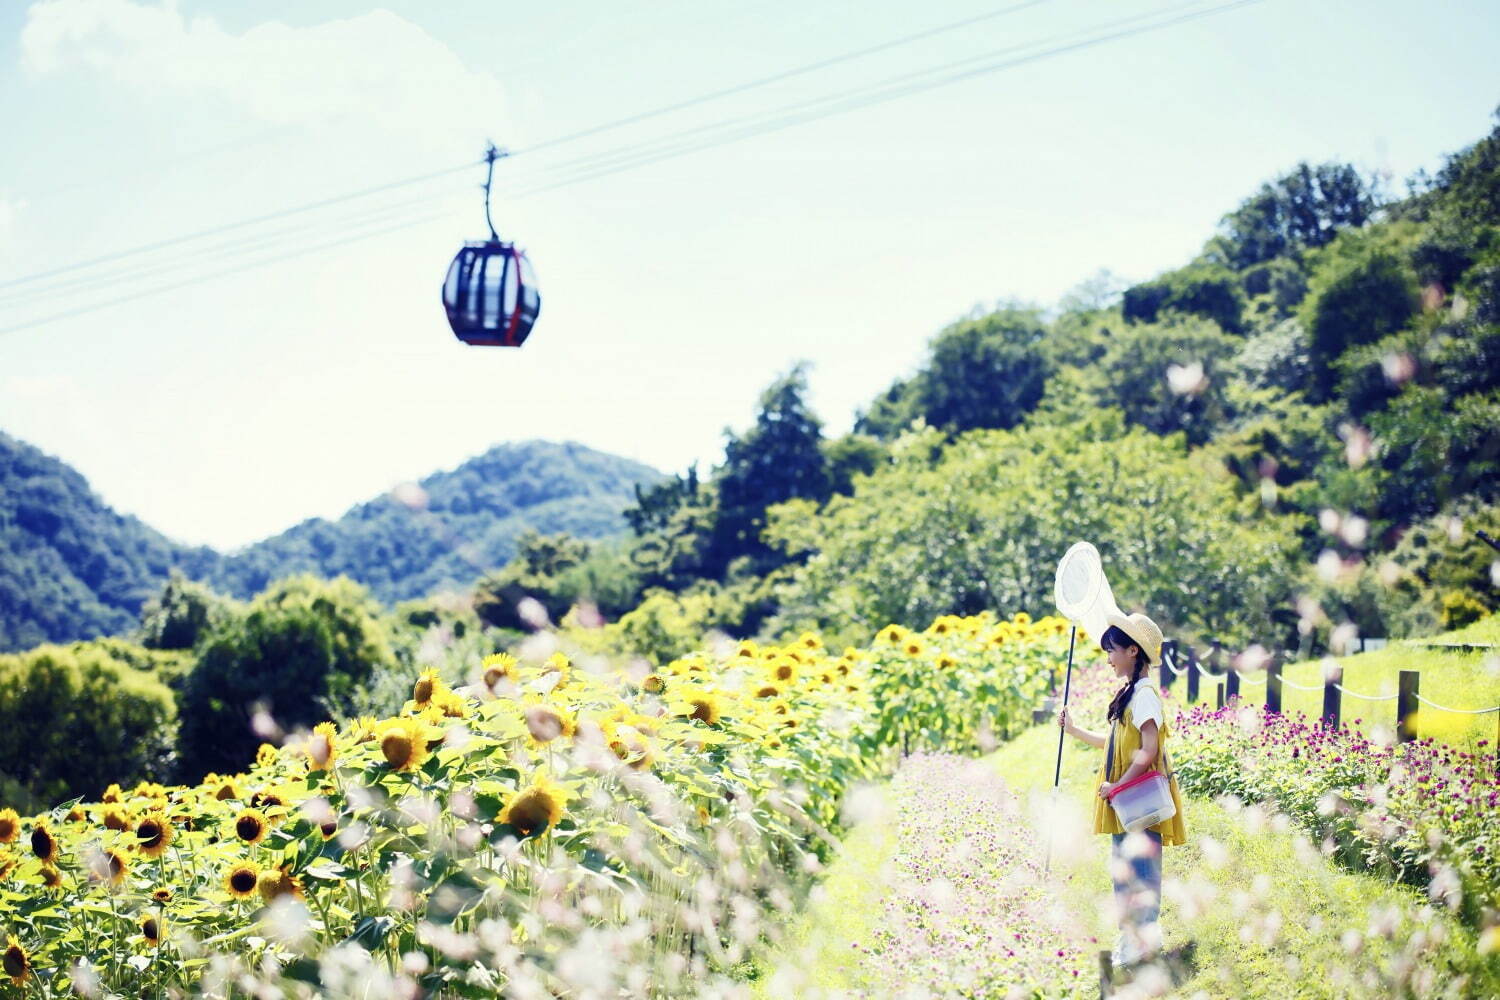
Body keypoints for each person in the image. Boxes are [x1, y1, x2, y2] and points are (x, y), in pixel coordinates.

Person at [1057, 611, 1187, 968]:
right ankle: (1131, 935)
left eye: (1112, 650)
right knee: (1125, 867)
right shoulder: (1131, 694)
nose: (1109, 658)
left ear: (1133, 651)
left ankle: (1144, 938)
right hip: (1127, 798)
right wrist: (1075, 730)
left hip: (1138, 797)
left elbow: (1149, 750)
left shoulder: (1144, 696)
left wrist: (1118, 785)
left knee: (1141, 869)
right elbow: (1115, 744)